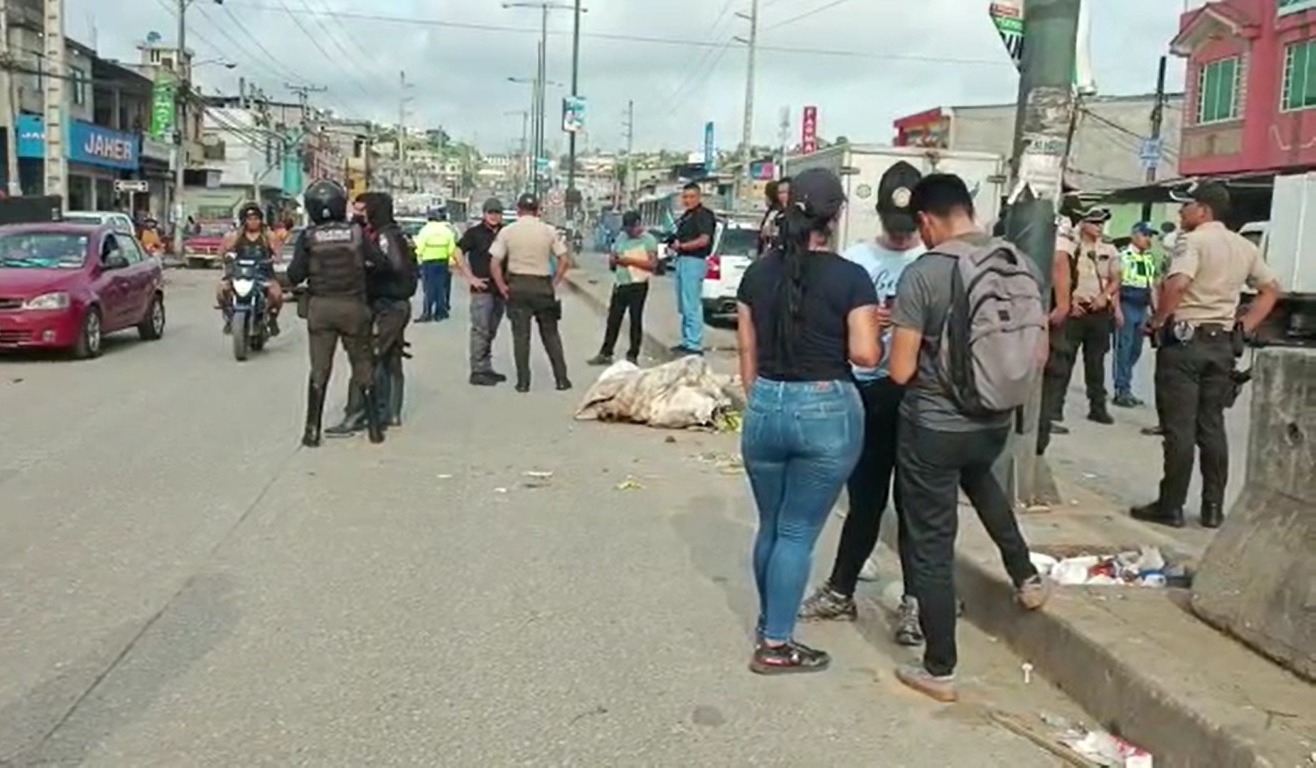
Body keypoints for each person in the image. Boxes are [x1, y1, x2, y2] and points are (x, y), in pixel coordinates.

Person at [886, 172, 1048, 702]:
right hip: (994, 420)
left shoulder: (926, 272)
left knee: (932, 545)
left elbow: (901, 371)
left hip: (934, 428)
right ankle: (1025, 576)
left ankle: (940, 668)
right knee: (982, 483)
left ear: (927, 221)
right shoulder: (1016, 262)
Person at [736, 168, 882, 675]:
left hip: (766, 406)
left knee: (772, 527)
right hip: (824, 408)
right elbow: (865, 355)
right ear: (836, 215)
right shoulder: (851, 278)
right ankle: (776, 644)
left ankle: (768, 621)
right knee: (798, 533)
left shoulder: (756, 274)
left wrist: (764, 399)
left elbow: (747, 354)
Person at [797, 160, 926, 646]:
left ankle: (917, 603)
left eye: (908, 226)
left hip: (917, 396)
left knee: (916, 506)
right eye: (894, 227)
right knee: (865, 500)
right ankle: (841, 589)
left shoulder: (931, 263)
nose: (900, 236)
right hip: (866, 393)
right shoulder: (855, 261)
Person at [1132, 182, 1281, 530]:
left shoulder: (1193, 241)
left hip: (1185, 343)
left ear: (1204, 210)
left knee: (1179, 428)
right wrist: (1244, 327)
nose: (1181, 213)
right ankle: (1213, 507)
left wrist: (1158, 320)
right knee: (1212, 426)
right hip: (1222, 344)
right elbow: (1271, 289)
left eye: (1187, 206)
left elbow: (1179, 284)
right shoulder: (1244, 246)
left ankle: (1171, 505)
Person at [285, 180, 382, 447]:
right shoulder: (357, 233)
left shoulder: (308, 237)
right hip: (353, 307)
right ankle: (375, 429)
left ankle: (312, 431)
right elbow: (380, 263)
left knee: (319, 370)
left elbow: (295, 274)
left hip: (321, 309)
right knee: (362, 365)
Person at [325, 192, 418, 434]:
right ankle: (389, 412)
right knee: (389, 360)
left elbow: (394, 265)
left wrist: (367, 267)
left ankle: (356, 415)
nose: (360, 214)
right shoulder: (386, 233)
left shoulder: (387, 235)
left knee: (367, 359)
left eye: (363, 209)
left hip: (389, 306)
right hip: (391, 304)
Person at [489, 192, 572, 393]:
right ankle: (561, 379)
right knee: (551, 335)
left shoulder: (508, 232)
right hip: (542, 286)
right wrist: (554, 283)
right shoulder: (549, 231)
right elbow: (564, 260)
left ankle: (523, 382)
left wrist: (502, 287)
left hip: (518, 286)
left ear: (518, 210)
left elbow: (494, 263)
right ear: (538, 211)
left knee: (521, 337)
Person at [1048, 208, 1122, 428]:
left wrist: (1105, 297)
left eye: (1102, 223)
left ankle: (1097, 408)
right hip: (1075, 311)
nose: (1099, 227)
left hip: (1098, 311)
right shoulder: (1070, 246)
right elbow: (1062, 276)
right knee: (1064, 361)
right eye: (1095, 222)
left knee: (1096, 363)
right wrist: (1068, 302)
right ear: (1083, 224)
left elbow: (1116, 278)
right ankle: (1054, 409)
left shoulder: (1109, 248)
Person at [587, 211, 658, 366]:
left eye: (631, 229)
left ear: (638, 224)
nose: (629, 232)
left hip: (638, 284)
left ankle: (633, 354)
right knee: (613, 319)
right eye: (626, 229)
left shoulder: (648, 240)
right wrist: (613, 260)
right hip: (621, 283)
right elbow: (613, 259)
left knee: (635, 320)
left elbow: (652, 265)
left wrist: (630, 261)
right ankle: (606, 353)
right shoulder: (621, 238)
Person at [457, 198, 508, 386]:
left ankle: (486, 367)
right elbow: (457, 251)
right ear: (484, 214)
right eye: (490, 212)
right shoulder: (474, 233)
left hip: (500, 289)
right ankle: (477, 370)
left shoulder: (506, 232)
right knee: (481, 329)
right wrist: (470, 277)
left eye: (497, 212)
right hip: (482, 289)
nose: (494, 216)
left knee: (491, 330)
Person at [216, 202, 283, 337]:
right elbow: (221, 252)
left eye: (256, 219)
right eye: (250, 219)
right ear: (244, 220)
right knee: (221, 290)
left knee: (276, 294)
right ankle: (229, 317)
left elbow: (278, 254)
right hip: (239, 273)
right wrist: (224, 258)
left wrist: (274, 259)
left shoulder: (268, 235)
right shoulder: (236, 236)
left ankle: (273, 320)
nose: (253, 222)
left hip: (263, 274)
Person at [1112, 222, 1161, 408]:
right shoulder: (1123, 256)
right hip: (1126, 303)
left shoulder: (1149, 259)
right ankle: (1121, 390)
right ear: (1134, 235)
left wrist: (1155, 313)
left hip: (1142, 307)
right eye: (1145, 235)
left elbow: (1153, 286)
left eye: (1150, 236)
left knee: (1136, 349)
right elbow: (1115, 284)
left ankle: (1126, 385)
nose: (1148, 239)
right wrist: (1116, 309)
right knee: (1123, 348)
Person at [669, 182, 718, 355]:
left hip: (695, 260)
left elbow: (704, 240)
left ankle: (694, 344)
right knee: (684, 305)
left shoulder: (704, 215)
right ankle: (686, 341)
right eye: (685, 197)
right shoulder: (686, 216)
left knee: (692, 304)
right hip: (682, 260)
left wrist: (682, 246)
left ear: (699, 197)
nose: (687, 200)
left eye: (691, 197)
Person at [415, 207, 457, 322]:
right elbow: (452, 247)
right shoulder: (446, 230)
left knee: (429, 288)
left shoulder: (425, 230)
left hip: (428, 261)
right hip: (443, 261)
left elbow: (420, 246)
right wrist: (451, 262)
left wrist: (419, 259)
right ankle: (440, 312)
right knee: (440, 288)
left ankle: (427, 312)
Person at [757, 176, 790, 256]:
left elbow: (766, 234)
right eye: (780, 193)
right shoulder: (775, 212)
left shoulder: (775, 213)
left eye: (784, 192)